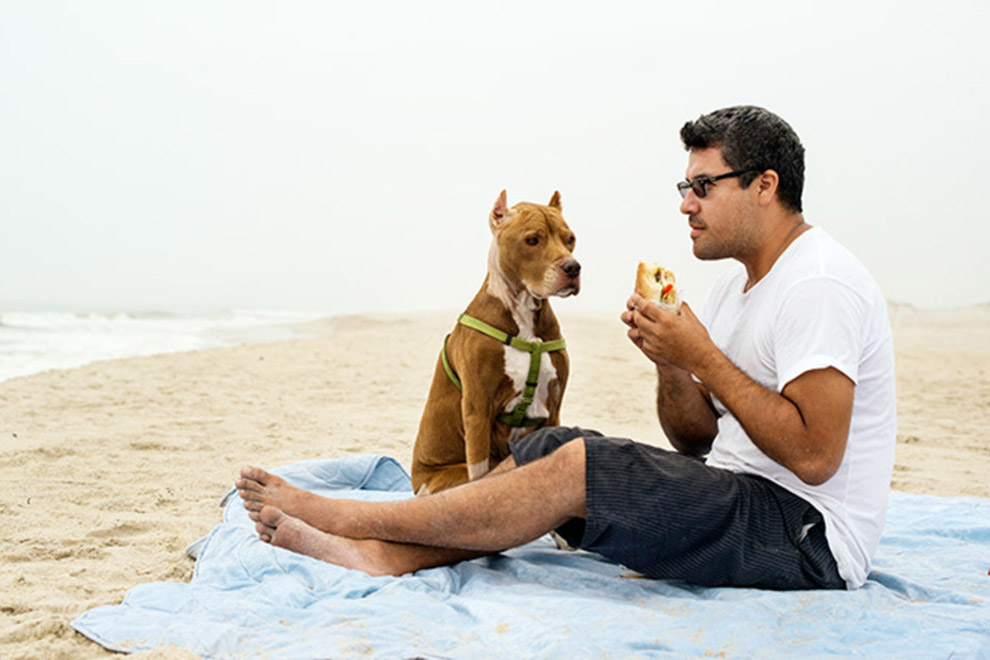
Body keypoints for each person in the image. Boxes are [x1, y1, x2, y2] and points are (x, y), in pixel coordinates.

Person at [236, 106, 896, 590]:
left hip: (806, 538)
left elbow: (814, 455)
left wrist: (702, 358)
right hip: (735, 494)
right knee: (544, 447)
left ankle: (345, 518)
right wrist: (671, 363)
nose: (686, 205)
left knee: (582, 464)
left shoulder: (820, 283)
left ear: (764, 185)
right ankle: (386, 554)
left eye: (703, 186)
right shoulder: (732, 291)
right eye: (683, 188)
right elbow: (694, 439)